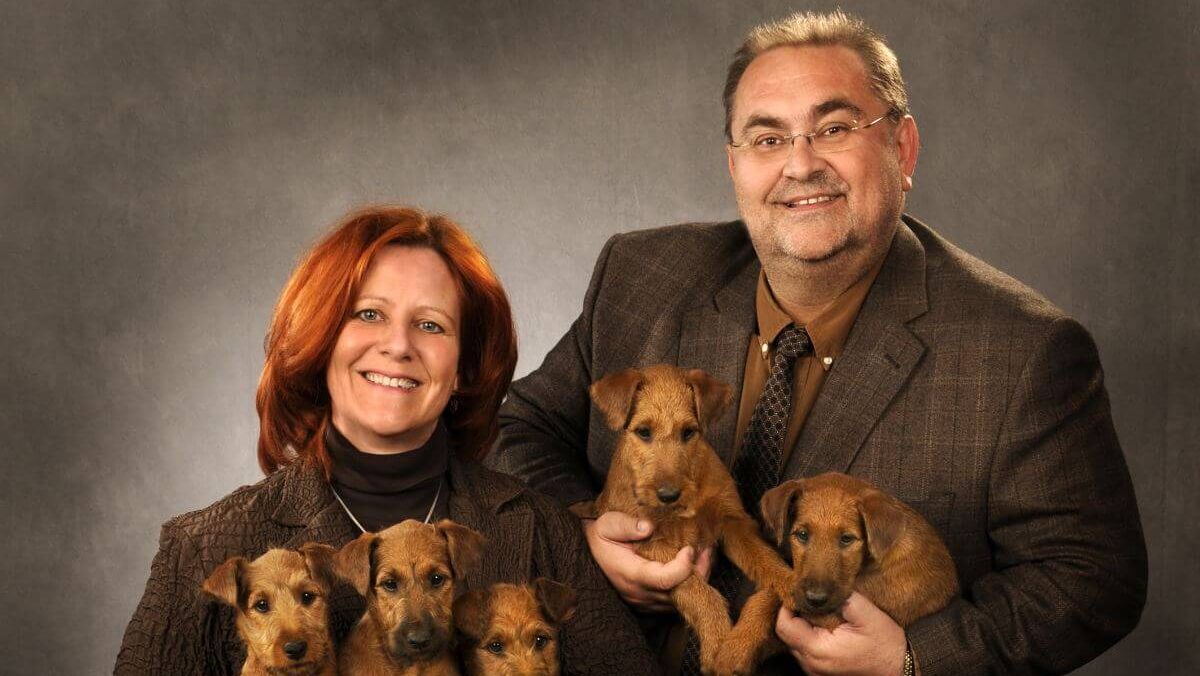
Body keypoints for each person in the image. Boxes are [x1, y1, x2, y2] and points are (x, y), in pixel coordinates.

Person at [491, 10, 1147, 676]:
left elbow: (1094, 576)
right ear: (736, 164)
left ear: (904, 149)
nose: (800, 165)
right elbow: (517, 431)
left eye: (834, 129)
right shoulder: (641, 277)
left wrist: (915, 660)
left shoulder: (1021, 352)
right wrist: (582, 539)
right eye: (767, 138)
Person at [115, 206, 657, 675]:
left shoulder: (542, 529)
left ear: (464, 367)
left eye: (431, 325)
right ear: (322, 341)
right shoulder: (202, 545)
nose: (397, 345)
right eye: (368, 314)